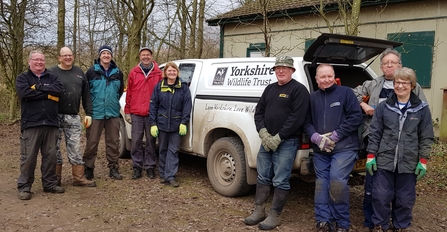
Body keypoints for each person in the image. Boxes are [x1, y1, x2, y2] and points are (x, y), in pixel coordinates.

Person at [352, 48, 427, 231]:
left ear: (400, 65)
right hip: (377, 142)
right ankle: (375, 223)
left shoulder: (414, 91)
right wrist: (364, 105)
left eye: (393, 62)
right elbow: (352, 93)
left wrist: (423, 159)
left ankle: (398, 223)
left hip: (405, 149)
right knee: (376, 190)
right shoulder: (373, 84)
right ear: (381, 66)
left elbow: (423, 126)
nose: (390, 65)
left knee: (403, 193)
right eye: (386, 63)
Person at [244, 56, 310, 230]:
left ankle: (275, 215)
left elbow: (297, 118)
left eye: (285, 68)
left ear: (292, 71)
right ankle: (259, 211)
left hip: (286, 142)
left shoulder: (299, 90)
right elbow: (259, 112)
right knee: (262, 176)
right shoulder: (270, 89)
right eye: (278, 68)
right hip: (266, 142)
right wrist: (264, 133)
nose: (281, 71)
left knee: (281, 180)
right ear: (274, 71)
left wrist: (279, 137)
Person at [366, 67, 434, 232]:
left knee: (405, 199)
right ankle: (380, 225)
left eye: (405, 83)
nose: (400, 86)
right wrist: (370, 155)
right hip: (384, 160)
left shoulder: (422, 109)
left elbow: (426, 136)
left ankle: (400, 226)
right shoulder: (384, 107)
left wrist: (423, 160)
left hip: (409, 162)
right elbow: (375, 132)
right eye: (397, 82)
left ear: (412, 85)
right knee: (380, 196)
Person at [304, 64, 363, 232]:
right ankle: (323, 221)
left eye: (329, 76)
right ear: (316, 79)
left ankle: (342, 223)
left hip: (345, 147)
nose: (326, 79)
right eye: (322, 77)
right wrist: (315, 137)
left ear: (334, 76)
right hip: (320, 150)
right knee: (322, 183)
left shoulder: (345, 93)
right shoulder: (312, 98)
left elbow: (355, 117)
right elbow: (306, 122)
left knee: (337, 180)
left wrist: (336, 136)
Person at [16, 50, 65, 200]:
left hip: (50, 122)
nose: (39, 62)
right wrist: (48, 94)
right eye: (36, 60)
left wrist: (37, 87)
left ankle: (49, 184)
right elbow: (25, 94)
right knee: (29, 157)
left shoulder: (53, 77)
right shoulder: (22, 78)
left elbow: (60, 90)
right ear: (29, 61)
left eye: (41, 60)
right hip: (31, 123)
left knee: (50, 156)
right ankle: (25, 186)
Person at [48, 47, 96, 187]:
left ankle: (78, 178)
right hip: (54, 116)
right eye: (65, 55)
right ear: (59, 57)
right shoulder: (51, 72)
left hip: (73, 116)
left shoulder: (79, 72)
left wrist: (89, 113)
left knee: (75, 147)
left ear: (73, 56)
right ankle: (55, 179)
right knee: (53, 147)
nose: (68, 57)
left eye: (70, 55)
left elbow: (86, 94)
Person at [83, 45, 124, 180]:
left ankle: (113, 168)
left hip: (113, 113)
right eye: (103, 53)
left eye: (108, 53)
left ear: (111, 56)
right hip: (96, 112)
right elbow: (85, 93)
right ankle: (88, 168)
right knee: (92, 142)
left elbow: (119, 92)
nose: (106, 55)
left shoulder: (118, 72)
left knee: (113, 141)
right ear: (99, 56)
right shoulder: (91, 72)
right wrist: (88, 112)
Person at [149, 62, 192, 187]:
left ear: (177, 72)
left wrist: (184, 122)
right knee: (162, 149)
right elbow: (153, 106)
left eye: (174, 70)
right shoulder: (159, 87)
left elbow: (187, 106)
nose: (171, 73)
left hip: (177, 125)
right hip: (161, 124)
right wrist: (153, 124)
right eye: (169, 71)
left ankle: (170, 175)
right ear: (165, 72)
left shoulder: (183, 87)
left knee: (173, 151)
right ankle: (162, 174)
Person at [124, 47, 162, 179]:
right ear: (140, 56)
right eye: (143, 55)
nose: (145, 57)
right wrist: (127, 111)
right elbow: (129, 93)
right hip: (136, 112)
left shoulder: (158, 73)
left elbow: (161, 95)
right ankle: (137, 167)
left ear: (151, 56)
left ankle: (150, 166)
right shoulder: (134, 73)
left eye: (148, 55)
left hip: (152, 113)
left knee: (151, 141)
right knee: (136, 141)